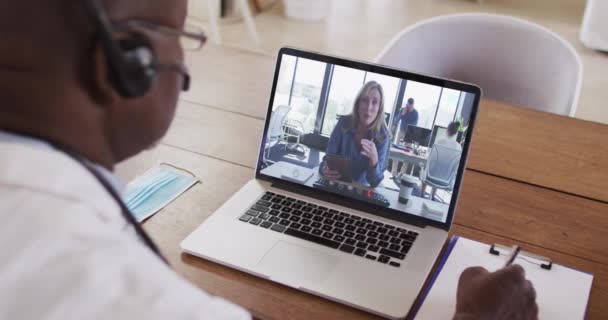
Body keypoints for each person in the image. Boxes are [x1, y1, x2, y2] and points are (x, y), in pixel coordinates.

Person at [0, 1, 537, 319]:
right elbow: (330, 166)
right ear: (126, 64)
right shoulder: (122, 294)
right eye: (183, 36)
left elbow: (370, 178)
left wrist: (368, 163)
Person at [321, 81, 391, 188]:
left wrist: (374, 161)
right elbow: (326, 161)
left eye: (375, 102)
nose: (368, 108)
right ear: (358, 104)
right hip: (336, 185)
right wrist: (325, 169)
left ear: (379, 108)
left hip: (360, 191)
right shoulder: (343, 123)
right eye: (365, 100)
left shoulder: (383, 136)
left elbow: (375, 182)